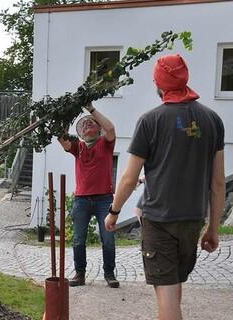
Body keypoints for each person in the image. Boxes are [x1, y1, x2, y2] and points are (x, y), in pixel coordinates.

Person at [105, 54, 225, 319]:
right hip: (193, 219)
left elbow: (128, 178)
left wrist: (114, 211)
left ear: (158, 84)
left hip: (159, 220)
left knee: (167, 293)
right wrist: (213, 228)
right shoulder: (213, 120)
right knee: (174, 283)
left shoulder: (151, 121)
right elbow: (218, 182)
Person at [58, 103, 119, 288]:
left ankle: (109, 273)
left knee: (108, 239)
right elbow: (61, 139)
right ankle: (80, 274)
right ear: (81, 132)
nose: (88, 125)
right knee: (78, 239)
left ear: (98, 128)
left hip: (104, 199)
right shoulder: (78, 147)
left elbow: (110, 128)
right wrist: (67, 114)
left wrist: (91, 109)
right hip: (82, 200)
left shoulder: (106, 143)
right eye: (84, 125)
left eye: (92, 123)